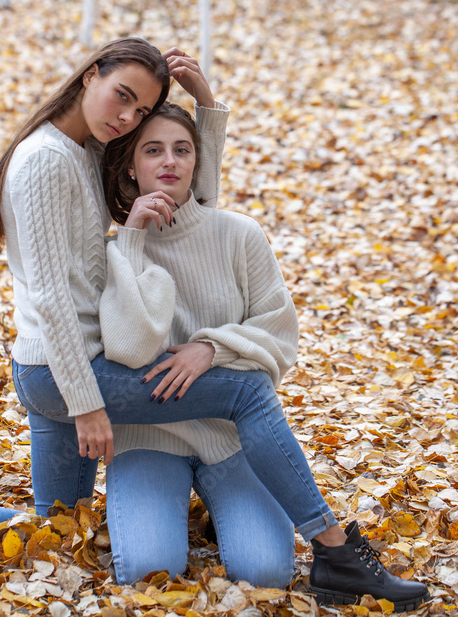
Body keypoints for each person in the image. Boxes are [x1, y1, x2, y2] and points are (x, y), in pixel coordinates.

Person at [0, 37, 429, 611]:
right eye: (123, 97)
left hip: (62, 368)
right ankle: (335, 550)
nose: (128, 117)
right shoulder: (43, 162)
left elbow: (193, 199)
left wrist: (207, 108)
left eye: (140, 110)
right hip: (67, 372)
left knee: (57, 521)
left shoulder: (82, 151)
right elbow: (54, 297)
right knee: (247, 389)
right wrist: (87, 405)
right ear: (90, 76)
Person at [99, 101, 295, 587]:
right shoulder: (113, 249)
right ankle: (165, 507)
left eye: (181, 150)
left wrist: (211, 347)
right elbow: (126, 348)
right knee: (149, 573)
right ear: (131, 164)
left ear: (195, 161)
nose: (169, 161)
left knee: (266, 573)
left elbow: (280, 333)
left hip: (230, 437)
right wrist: (132, 242)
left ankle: (220, 503)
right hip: (147, 440)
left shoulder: (240, 234)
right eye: (153, 150)